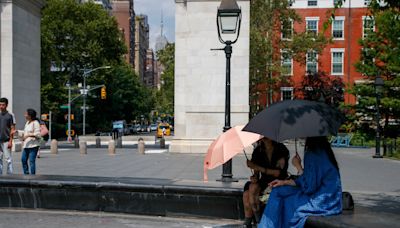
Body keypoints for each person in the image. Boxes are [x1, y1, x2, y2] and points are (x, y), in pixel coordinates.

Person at [258, 136, 342, 228]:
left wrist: (298, 166)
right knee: (278, 191)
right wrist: (284, 182)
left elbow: (309, 187)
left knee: (286, 201)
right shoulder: (324, 151)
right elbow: (309, 179)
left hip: (322, 200)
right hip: (330, 198)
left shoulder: (313, 153)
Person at [243, 137, 289, 228]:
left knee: (250, 194)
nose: (265, 137)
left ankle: (257, 222)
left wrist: (257, 167)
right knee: (248, 192)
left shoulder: (281, 149)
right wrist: (254, 177)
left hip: (278, 182)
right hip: (263, 182)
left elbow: (277, 173)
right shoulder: (258, 151)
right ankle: (252, 222)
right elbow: (256, 175)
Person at [21, 108, 41, 175]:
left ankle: (33, 176)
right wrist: (17, 132)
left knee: (32, 161)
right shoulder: (27, 123)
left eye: (26, 114)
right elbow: (24, 132)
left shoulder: (35, 123)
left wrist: (29, 135)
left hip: (33, 145)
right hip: (26, 145)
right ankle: (26, 174)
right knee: (23, 160)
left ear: (30, 115)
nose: (24, 115)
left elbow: (38, 134)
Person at [0, 97, 16, 174]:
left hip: (6, 140)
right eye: (0, 105)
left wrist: (10, 141)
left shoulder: (10, 115)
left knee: (8, 159)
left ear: (6, 105)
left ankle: (10, 175)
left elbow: (12, 129)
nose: (1, 106)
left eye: (3, 105)